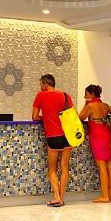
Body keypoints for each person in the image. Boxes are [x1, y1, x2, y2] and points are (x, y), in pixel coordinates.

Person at [32, 74, 74, 207]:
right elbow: (73, 115)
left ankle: (57, 198)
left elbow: (34, 116)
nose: (40, 86)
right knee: (65, 168)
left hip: (53, 136)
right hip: (68, 136)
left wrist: (46, 118)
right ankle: (61, 198)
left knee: (52, 169)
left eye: (41, 84)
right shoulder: (66, 96)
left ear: (45, 84)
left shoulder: (40, 95)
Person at [77, 84, 111, 203]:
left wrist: (86, 104)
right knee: (110, 167)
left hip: (97, 137)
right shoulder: (105, 106)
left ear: (92, 94)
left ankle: (105, 196)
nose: (84, 97)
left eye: (86, 95)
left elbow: (80, 118)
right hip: (108, 136)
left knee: (102, 167)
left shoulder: (90, 106)